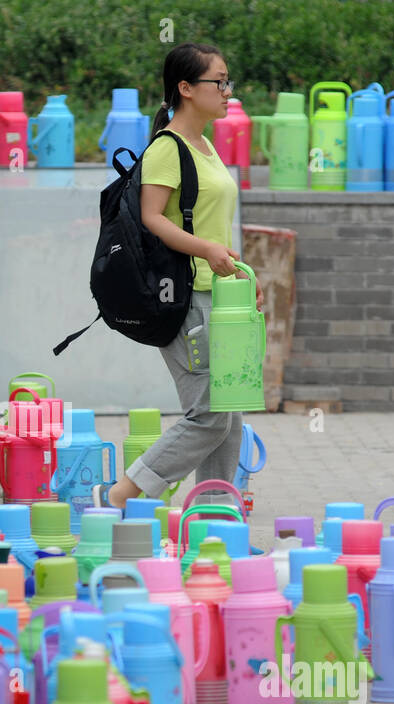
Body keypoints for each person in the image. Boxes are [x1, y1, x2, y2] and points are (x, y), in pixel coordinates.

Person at [99, 42, 263, 512]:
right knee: (209, 415)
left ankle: (212, 518)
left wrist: (239, 287)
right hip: (184, 299)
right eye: (219, 81)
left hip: (220, 296)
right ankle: (119, 496)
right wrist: (208, 250)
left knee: (227, 417)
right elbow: (153, 217)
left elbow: (209, 225)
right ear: (186, 89)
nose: (228, 90)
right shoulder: (167, 148)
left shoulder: (205, 145)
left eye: (228, 80)